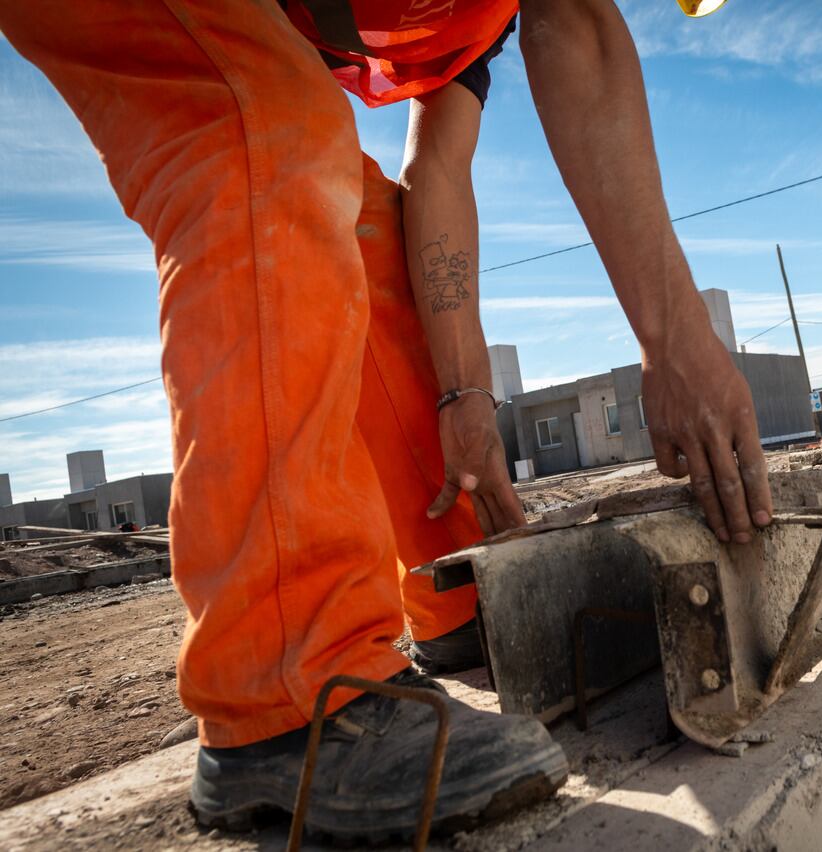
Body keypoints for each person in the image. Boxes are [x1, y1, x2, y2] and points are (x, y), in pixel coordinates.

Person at [0, 0, 774, 839]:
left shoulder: (479, 24)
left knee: (366, 222)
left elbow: (434, 174)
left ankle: (446, 605)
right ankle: (289, 696)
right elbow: (581, 29)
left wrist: (466, 397)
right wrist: (677, 342)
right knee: (257, 123)